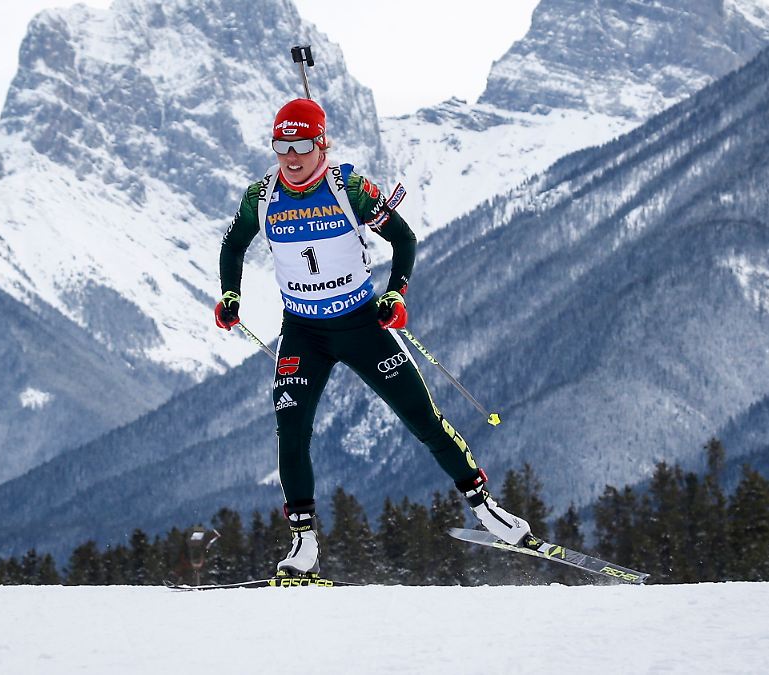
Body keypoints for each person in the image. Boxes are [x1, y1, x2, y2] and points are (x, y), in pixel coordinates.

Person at [215, 98, 532, 576]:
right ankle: (304, 544)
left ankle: (485, 508)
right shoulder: (261, 196)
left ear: (321, 144)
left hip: (363, 324)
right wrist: (230, 295)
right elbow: (233, 243)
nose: (290, 156)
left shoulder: (350, 188)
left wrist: (395, 295)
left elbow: (404, 239)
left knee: (423, 420)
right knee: (291, 432)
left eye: (301, 145)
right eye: (281, 145)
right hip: (303, 332)